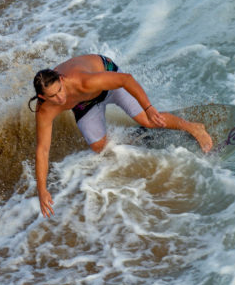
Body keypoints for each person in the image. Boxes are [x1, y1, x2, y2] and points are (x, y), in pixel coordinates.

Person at [28, 54, 213, 217]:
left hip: (109, 82)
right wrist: (42, 190)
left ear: (61, 79)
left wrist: (148, 109)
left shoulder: (83, 81)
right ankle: (134, 136)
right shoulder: (45, 110)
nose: (60, 98)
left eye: (60, 89)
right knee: (99, 147)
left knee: (147, 120)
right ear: (43, 98)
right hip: (85, 102)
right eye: (53, 96)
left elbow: (126, 79)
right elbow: (42, 150)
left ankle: (193, 127)